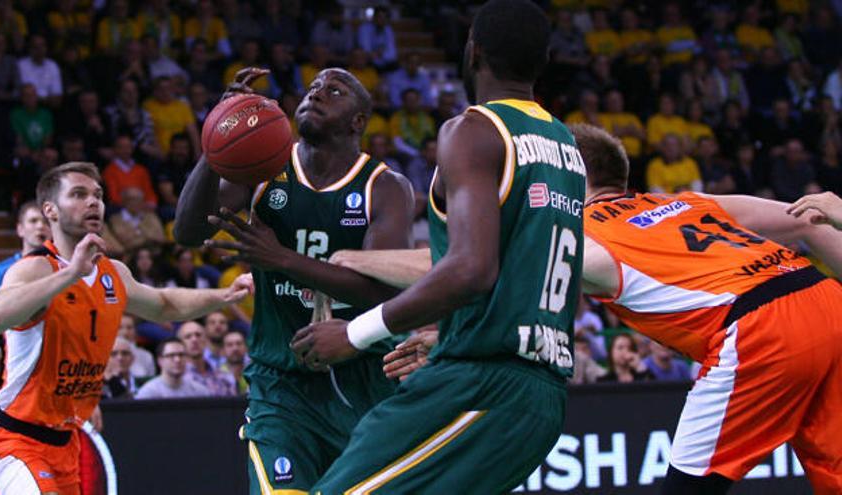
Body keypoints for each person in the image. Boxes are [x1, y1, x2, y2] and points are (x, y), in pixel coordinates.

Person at [339, 124, 842, 494]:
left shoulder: (584, 235)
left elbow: (462, 262)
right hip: (827, 302)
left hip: (760, 331)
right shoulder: (688, 202)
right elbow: (810, 218)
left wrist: (344, 258)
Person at [290, 1, 584, 493]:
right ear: (544, 60)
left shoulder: (473, 131)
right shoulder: (566, 147)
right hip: (541, 395)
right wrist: (447, 334)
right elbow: (528, 272)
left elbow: (472, 269)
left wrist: (356, 333)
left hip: (479, 386)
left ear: (473, 51)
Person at [174, 64, 415, 493]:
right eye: (313, 87)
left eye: (334, 91)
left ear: (358, 121)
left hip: (363, 381)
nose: (317, 93)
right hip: (280, 385)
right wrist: (216, 138)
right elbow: (188, 232)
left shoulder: (386, 187)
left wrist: (281, 258)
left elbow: (379, 292)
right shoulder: (263, 169)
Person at [0, 161, 253, 495]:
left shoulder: (113, 273)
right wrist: (69, 273)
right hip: (13, 441)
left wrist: (225, 294)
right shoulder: (34, 269)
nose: (93, 202)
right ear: (50, 210)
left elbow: (164, 304)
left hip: (65, 443)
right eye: (79, 194)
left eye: (98, 195)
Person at [0, 202, 51, 405]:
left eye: (45, 222)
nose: (40, 226)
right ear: (20, 229)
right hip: (13, 369)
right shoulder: (0, 272)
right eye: (33, 221)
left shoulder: (64, 270)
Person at [135, 338, 211, 399]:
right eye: (171, 355)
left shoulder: (200, 392)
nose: (177, 360)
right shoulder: (148, 393)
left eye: (181, 355)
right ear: (160, 361)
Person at [177, 320, 235, 396]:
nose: (194, 340)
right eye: (188, 337)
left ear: (206, 340)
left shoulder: (223, 377)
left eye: (198, 335)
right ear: (179, 344)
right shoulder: (177, 378)